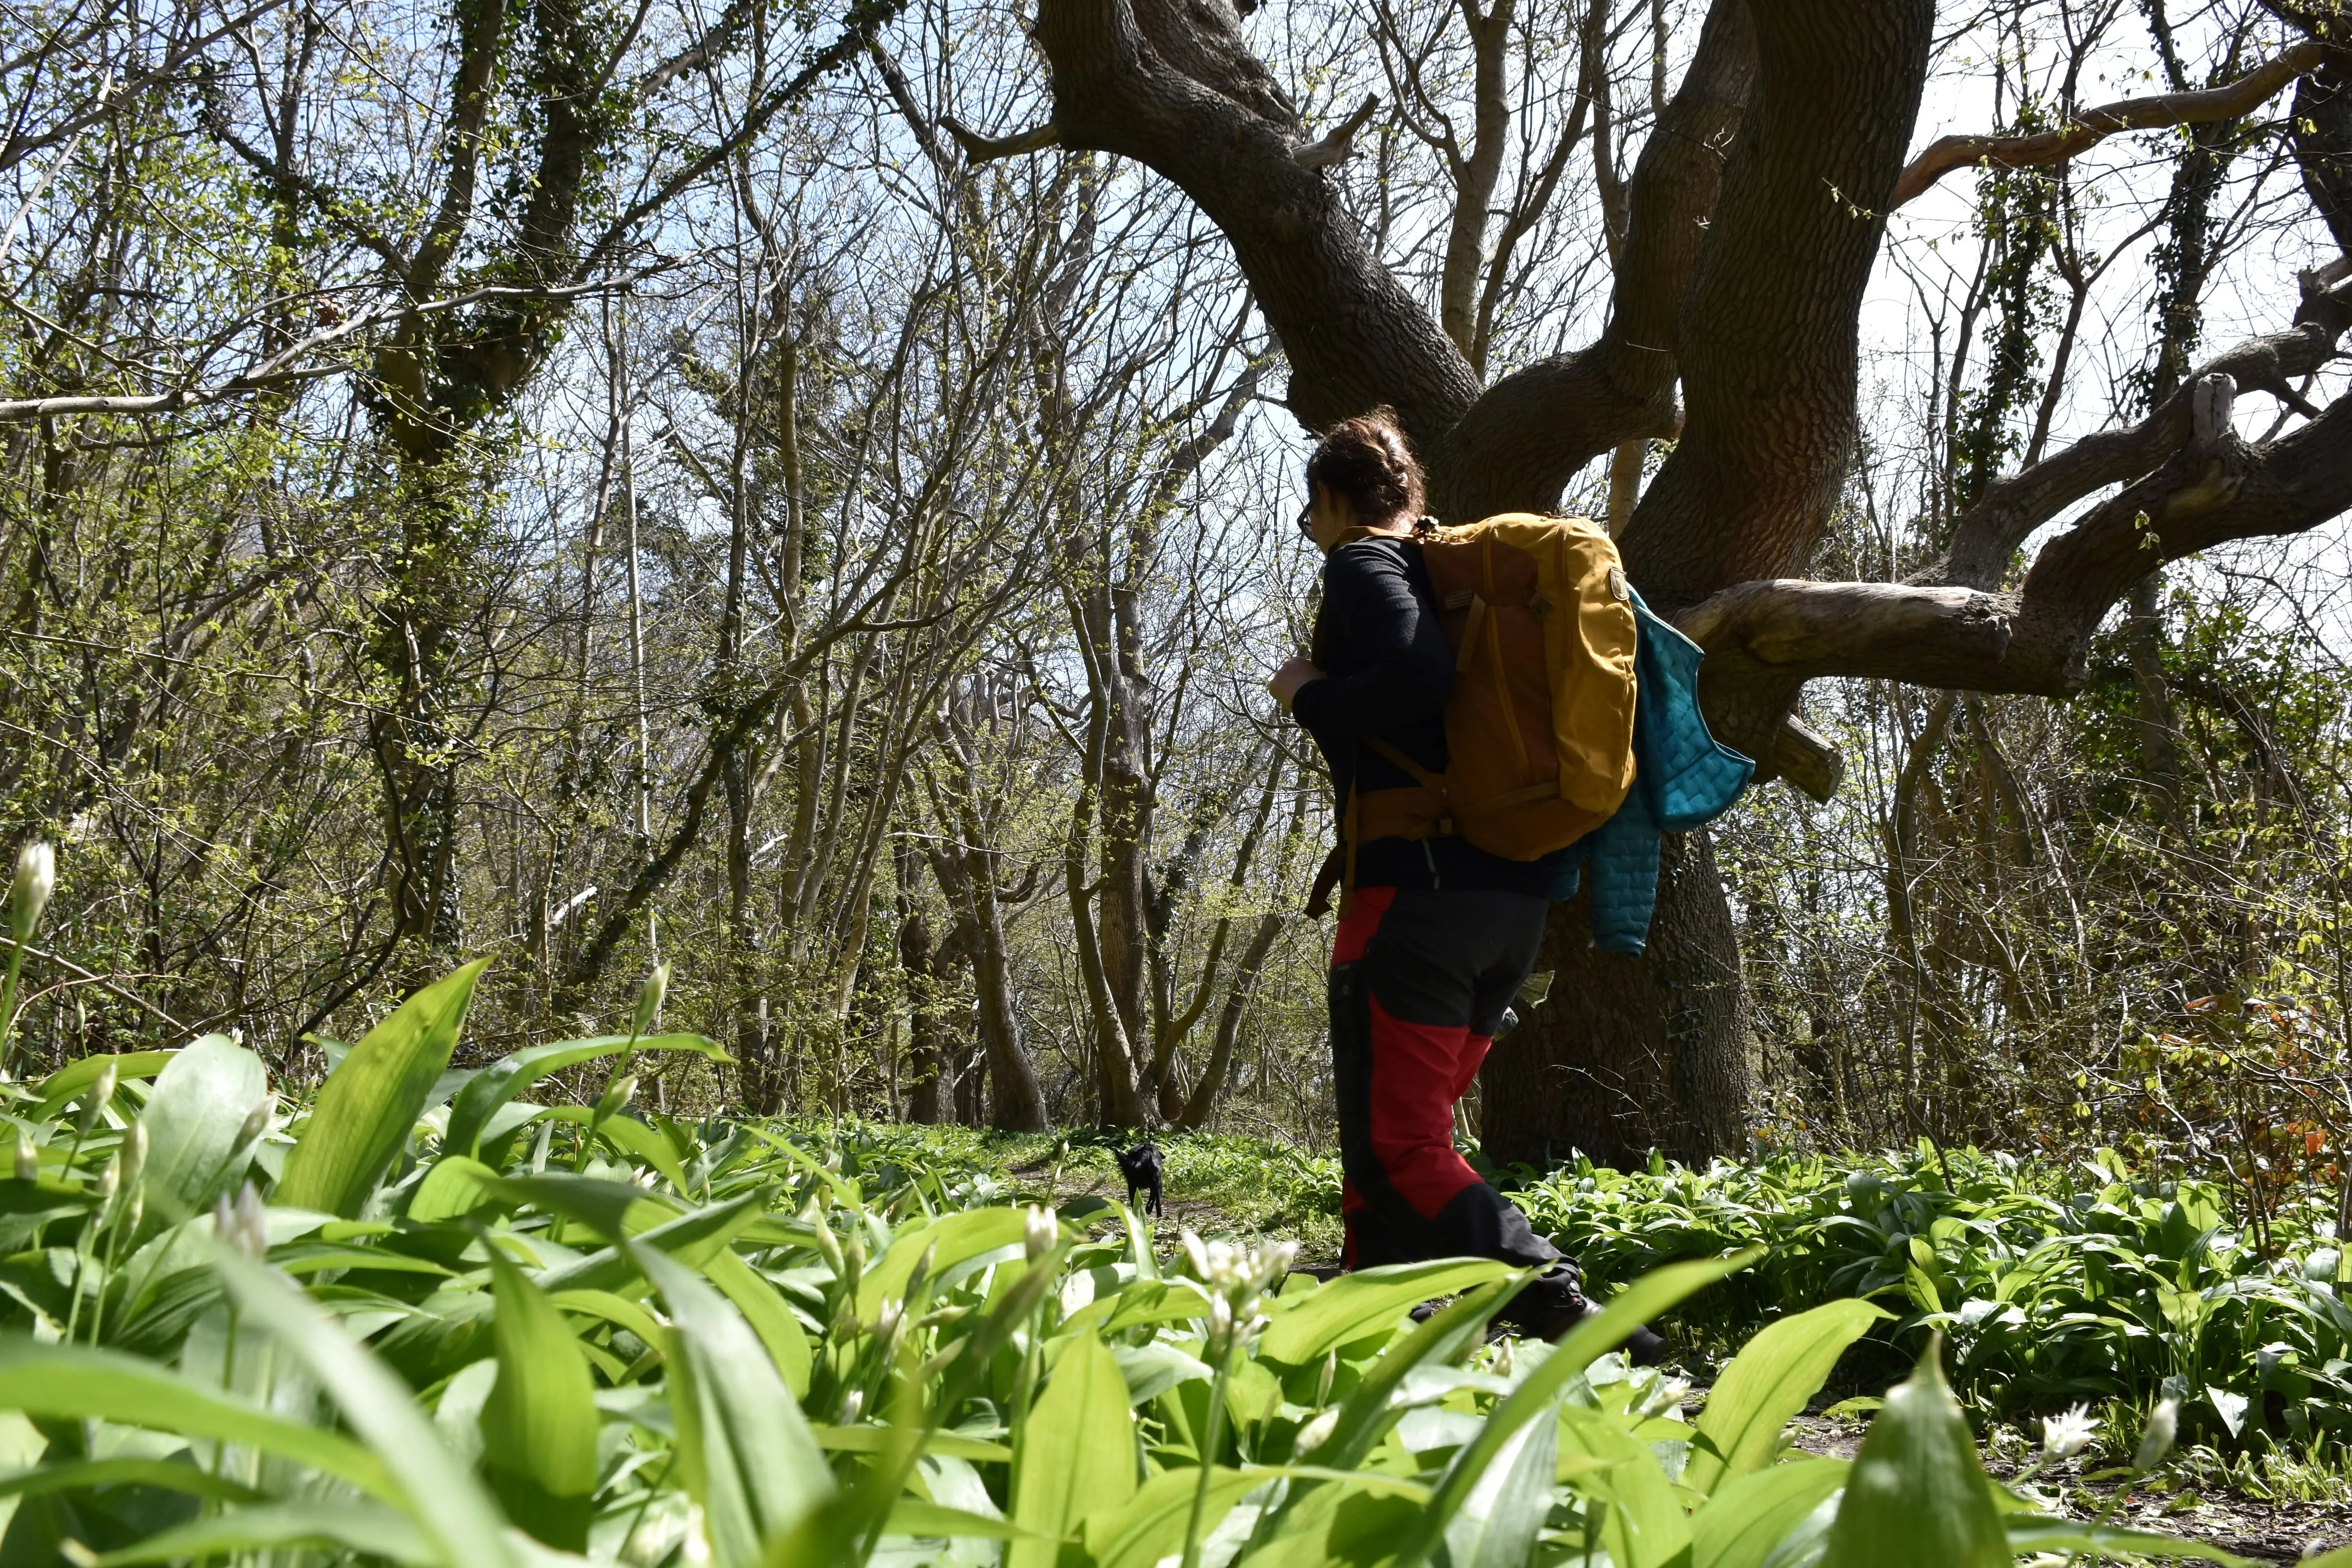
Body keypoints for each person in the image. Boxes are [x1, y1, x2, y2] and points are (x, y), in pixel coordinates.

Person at [1270, 409, 1655, 1354]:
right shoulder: (1459, 582)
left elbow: (1412, 678)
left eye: (1311, 510)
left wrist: (1309, 694)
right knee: (1395, 1140)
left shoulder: (1366, 563)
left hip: (1415, 900)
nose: (1312, 528)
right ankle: (1373, 1326)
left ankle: (1573, 1316)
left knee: (1402, 1146)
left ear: (1331, 498)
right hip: (1509, 907)